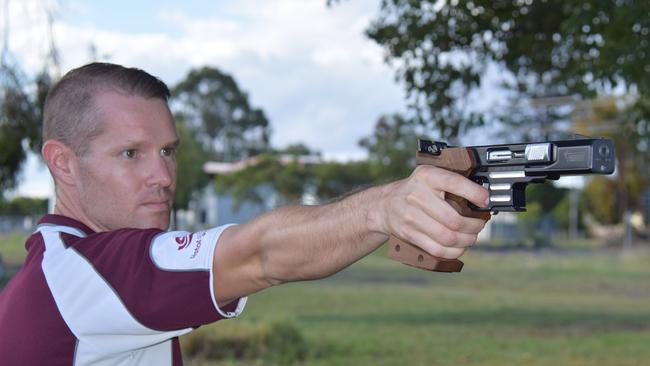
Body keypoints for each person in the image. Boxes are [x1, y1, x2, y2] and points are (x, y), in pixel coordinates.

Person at [0, 62, 489, 365]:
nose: (164, 176)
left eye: (168, 152)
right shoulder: (88, 274)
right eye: (132, 154)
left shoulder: (64, 269)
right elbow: (259, 255)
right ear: (63, 162)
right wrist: (386, 207)